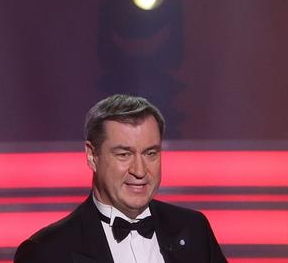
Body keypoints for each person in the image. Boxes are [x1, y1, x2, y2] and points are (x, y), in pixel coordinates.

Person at [14, 94, 227, 263]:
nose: (140, 171)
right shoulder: (46, 252)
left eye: (150, 153)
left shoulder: (194, 229)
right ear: (92, 156)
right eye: (124, 154)